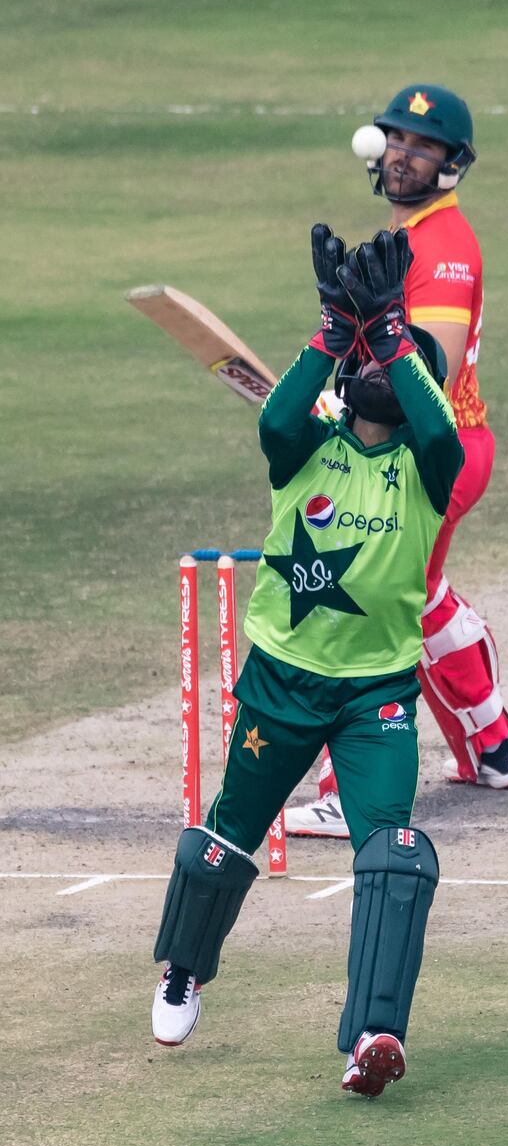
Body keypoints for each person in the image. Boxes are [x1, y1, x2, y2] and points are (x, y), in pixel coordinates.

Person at [151, 225, 463, 1099]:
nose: (371, 363)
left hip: (377, 697)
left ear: (411, 379)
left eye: (388, 358)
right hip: (284, 680)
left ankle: (374, 1033)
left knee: (395, 856)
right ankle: (184, 967)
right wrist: (335, 329)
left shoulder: (427, 470)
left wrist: (393, 333)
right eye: (364, 355)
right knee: (224, 841)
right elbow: (281, 414)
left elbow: (442, 429)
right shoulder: (305, 448)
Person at [285, 83, 508, 841]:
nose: (402, 154)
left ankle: (343, 789)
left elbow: (429, 371)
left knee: (360, 592)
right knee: (420, 593)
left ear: (453, 162)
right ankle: (495, 745)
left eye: (422, 146)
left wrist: (342, 406)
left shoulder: (447, 249)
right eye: (396, 138)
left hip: (434, 456)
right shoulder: (410, 239)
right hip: (433, 450)